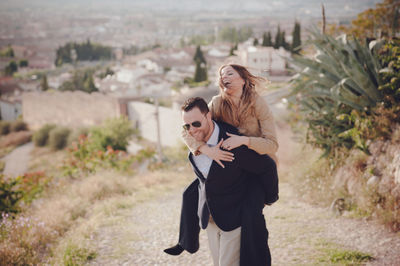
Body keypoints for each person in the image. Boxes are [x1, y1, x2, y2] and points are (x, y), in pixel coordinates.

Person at [169, 97, 278, 265]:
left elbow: (267, 167)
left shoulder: (232, 142)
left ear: (209, 116)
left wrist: (268, 198)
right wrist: (206, 150)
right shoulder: (194, 143)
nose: (191, 130)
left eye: (196, 124)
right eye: (187, 126)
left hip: (234, 219)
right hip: (211, 220)